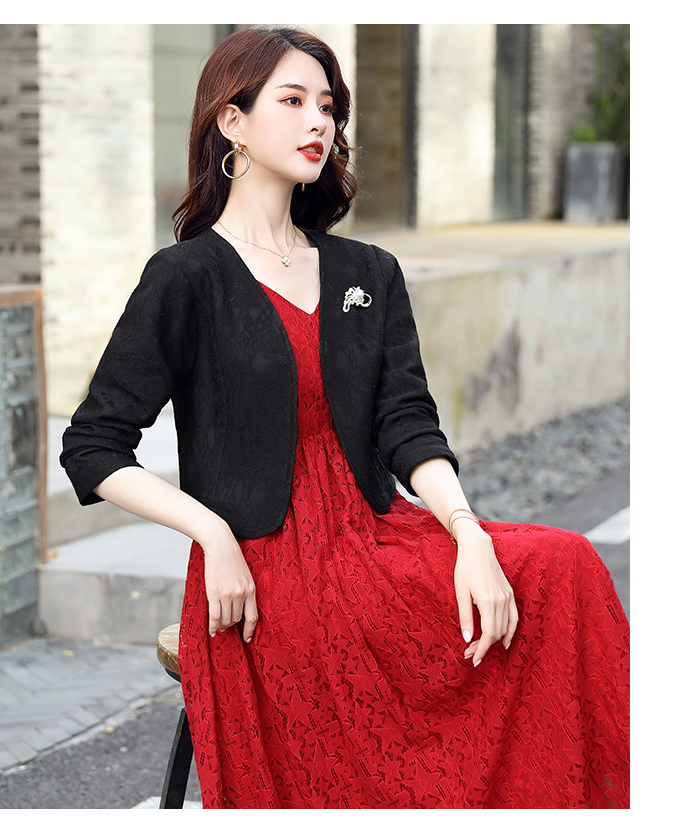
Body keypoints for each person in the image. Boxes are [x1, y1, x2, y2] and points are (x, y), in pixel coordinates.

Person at [60, 26, 629, 809]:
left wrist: (468, 534)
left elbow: (408, 423)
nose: (318, 122)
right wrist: (212, 533)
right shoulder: (186, 277)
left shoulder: (368, 272)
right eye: (293, 101)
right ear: (233, 122)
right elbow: (93, 445)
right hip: (265, 566)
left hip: (377, 534)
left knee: (562, 566)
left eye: (327, 106)